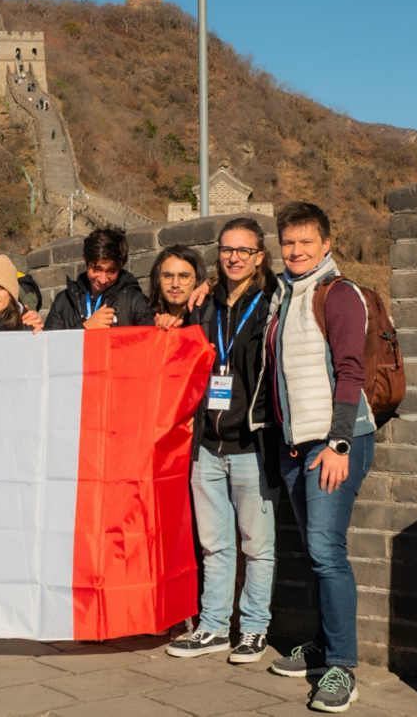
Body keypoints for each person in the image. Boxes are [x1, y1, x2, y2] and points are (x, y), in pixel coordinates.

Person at [265, 202, 375, 713]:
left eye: (306, 242)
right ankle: (322, 646)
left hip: (334, 442)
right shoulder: (284, 297)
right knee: (315, 552)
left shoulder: (339, 293)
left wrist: (339, 444)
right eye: (289, 242)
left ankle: (342, 667)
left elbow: (350, 372)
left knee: (328, 551)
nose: (296, 250)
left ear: (326, 244)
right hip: (296, 444)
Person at [164, 219, 282, 666]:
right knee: (214, 544)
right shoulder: (205, 303)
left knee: (258, 546)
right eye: (226, 249)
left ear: (259, 257)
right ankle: (213, 626)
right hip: (206, 446)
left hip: (252, 445)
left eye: (243, 250)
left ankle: (253, 629)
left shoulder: (271, 302)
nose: (233, 257)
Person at [45, 227, 153, 330]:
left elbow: (153, 341)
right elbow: (49, 346)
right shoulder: (63, 300)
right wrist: (84, 328)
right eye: (97, 269)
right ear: (85, 259)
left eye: (111, 271)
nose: (103, 280)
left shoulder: (135, 302)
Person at [147, 245, 207, 325]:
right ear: (157, 280)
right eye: (168, 276)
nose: (175, 284)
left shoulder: (207, 317)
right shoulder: (147, 319)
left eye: (184, 276)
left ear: (197, 279)